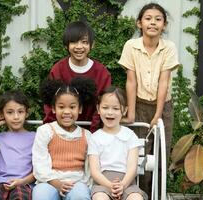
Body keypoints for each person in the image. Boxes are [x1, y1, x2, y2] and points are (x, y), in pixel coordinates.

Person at [118, 3, 179, 198]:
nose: (153, 22)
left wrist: (158, 115)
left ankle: (158, 195)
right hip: (139, 103)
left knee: (160, 154)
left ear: (164, 25)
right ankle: (141, 195)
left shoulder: (169, 47)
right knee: (140, 154)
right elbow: (131, 81)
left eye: (158, 19)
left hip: (163, 107)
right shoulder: (131, 46)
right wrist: (132, 112)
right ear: (139, 23)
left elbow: (164, 81)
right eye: (148, 18)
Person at [32, 77, 96, 200]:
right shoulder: (45, 131)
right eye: (61, 107)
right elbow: (39, 163)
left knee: (80, 196)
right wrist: (57, 183)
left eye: (72, 107)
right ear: (54, 109)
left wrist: (84, 184)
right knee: (41, 196)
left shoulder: (87, 136)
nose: (67, 112)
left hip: (76, 182)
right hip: (49, 181)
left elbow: (89, 168)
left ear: (80, 109)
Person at [43, 20, 111, 132]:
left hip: (91, 131)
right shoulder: (58, 69)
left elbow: (103, 105)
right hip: (61, 131)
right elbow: (50, 105)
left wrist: (93, 133)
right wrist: (54, 131)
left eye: (84, 42)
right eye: (74, 42)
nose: (79, 47)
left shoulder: (102, 72)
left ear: (92, 45)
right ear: (66, 45)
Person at [88, 86, 147, 200]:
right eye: (105, 107)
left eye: (115, 108)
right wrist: (110, 185)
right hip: (102, 183)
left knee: (136, 198)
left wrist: (123, 185)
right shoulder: (95, 138)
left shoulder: (130, 136)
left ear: (124, 111)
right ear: (98, 109)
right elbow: (95, 171)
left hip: (127, 182)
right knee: (100, 198)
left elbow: (132, 168)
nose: (110, 112)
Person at [0, 90, 36, 200]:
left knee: (20, 197)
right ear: (2, 115)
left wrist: (22, 181)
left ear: (27, 113)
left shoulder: (35, 137)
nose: (16, 117)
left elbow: (39, 168)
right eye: (10, 112)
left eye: (20, 112)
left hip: (23, 182)